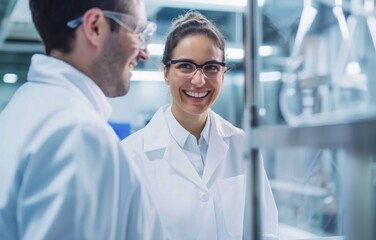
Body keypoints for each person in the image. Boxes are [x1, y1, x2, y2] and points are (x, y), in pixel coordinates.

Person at [0, 0, 160, 239]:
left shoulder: (25, 104)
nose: (144, 53)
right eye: (137, 32)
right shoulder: (78, 134)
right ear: (95, 27)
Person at [121, 11, 279, 239]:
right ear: (166, 72)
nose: (199, 80)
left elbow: (265, 230)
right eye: (185, 66)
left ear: (223, 74)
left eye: (211, 67)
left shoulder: (241, 144)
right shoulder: (131, 155)